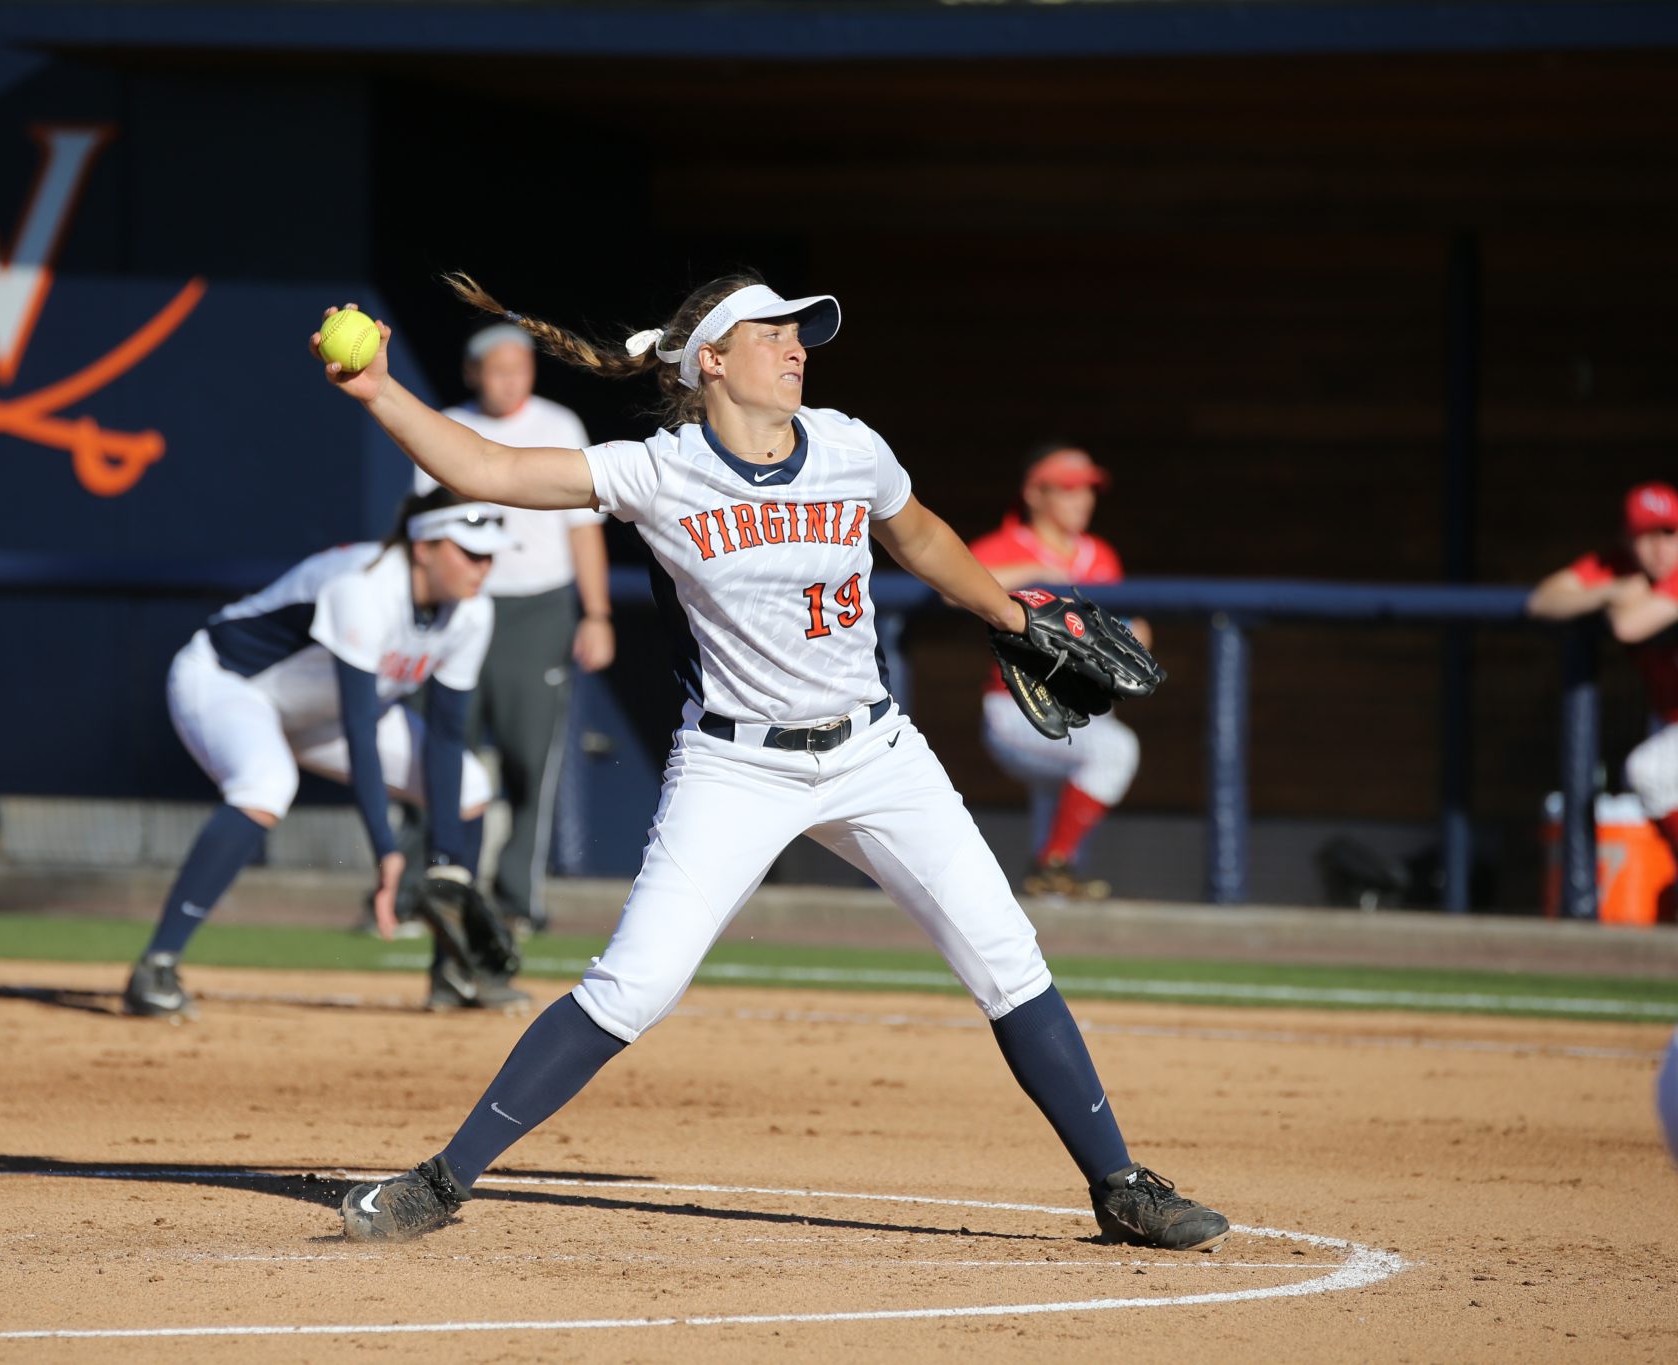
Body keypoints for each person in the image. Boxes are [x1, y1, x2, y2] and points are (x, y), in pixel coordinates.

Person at [310, 274, 1230, 1252]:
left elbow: (915, 530)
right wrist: (379, 391)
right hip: (734, 765)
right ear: (710, 360)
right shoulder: (658, 471)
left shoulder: (849, 446)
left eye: (802, 335)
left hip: (875, 751)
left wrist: (1007, 614)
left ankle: (1120, 1185)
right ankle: (442, 1181)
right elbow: (488, 467)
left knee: (1006, 958)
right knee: (633, 987)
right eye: (773, 333)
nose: (797, 349)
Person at [123, 487, 530, 1018]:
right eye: (470, 552)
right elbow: (361, 729)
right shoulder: (363, 586)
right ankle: (156, 965)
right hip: (230, 686)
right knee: (266, 784)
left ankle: (455, 972)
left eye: (490, 555)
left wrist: (445, 865)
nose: (483, 567)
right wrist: (386, 850)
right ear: (423, 547)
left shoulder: (472, 613)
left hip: (323, 716)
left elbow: (448, 736)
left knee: (471, 787)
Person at [408, 323, 615, 935]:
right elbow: (425, 532)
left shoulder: (559, 424)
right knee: (441, 750)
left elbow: (584, 530)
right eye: (498, 370)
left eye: (521, 369)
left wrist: (597, 615)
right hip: (462, 610)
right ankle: (424, 891)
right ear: (473, 373)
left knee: (530, 759)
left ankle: (516, 900)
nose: (510, 382)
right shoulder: (446, 424)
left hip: (537, 611)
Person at [968, 445, 1150, 900]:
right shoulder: (1006, 546)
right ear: (1035, 493)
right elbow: (951, 589)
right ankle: (1054, 862)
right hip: (1019, 707)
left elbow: (1129, 628)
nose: (1082, 500)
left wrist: (1134, 639)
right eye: (1069, 489)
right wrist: (1034, 573)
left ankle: (1050, 879)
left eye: (1087, 490)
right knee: (1115, 751)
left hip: (1082, 705)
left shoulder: (1100, 554)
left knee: (1064, 812)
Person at [1527, 481, 1678, 858]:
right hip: (1667, 716)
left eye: (1669, 534)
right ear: (1627, 539)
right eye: (1646, 536)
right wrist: (1609, 592)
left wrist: (1623, 599)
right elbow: (1543, 599)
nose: (1659, 548)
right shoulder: (1622, 570)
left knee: (1648, 771)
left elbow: (1629, 626)